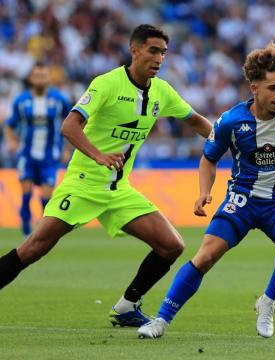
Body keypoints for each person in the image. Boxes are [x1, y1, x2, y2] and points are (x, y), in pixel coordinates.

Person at [0, 24, 212, 328]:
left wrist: (233, 139)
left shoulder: (162, 92)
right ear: (134, 49)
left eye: (163, 53)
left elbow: (196, 121)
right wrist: (99, 156)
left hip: (119, 191)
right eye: (153, 51)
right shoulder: (107, 84)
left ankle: (127, 306)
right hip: (84, 184)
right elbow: (69, 126)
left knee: (172, 245)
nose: (159, 59)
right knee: (33, 248)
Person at [137, 42, 275, 339]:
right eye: (272, 88)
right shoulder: (231, 121)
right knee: (205, 256)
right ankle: (161, 320)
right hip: (241, 201)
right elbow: (208, 158)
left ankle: (267, 302)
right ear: (255, 88)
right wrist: (204, 191)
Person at [3, 62, 72, 237]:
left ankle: (41, 233)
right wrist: (11, 142)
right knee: (26, 196)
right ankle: (26, 221)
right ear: (31, 79)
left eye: (43, 75)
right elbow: (9, 125)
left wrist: (67, 148)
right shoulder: (21, 101)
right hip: (27, 154)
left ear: (49, 78)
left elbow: (73, 122)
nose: (40, 79)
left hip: (50, 156)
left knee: (46, 199)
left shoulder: (59, 99)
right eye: (37, 76)